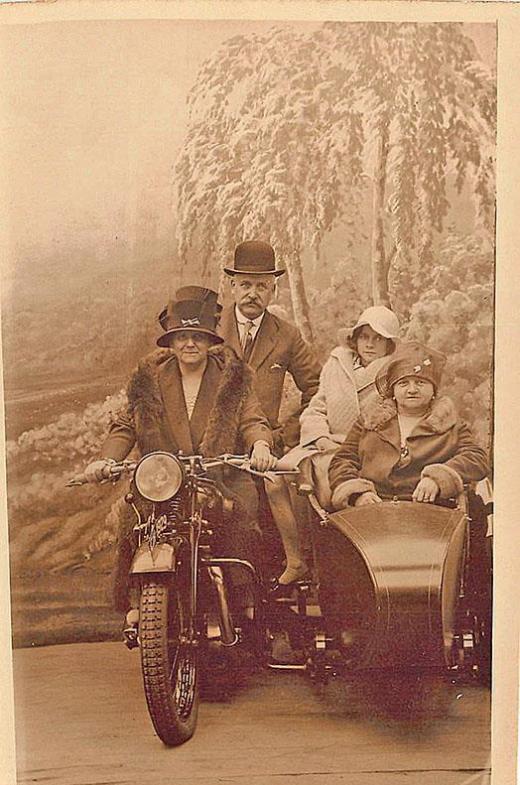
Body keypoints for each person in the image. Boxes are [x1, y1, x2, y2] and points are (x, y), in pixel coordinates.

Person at [85, 285, 277, 629]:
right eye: (181, 336)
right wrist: (107, 460)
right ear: (171, 342)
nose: (190, 344)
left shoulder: (232, 378)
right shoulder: (150, 380)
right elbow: (126, 424)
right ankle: (141, 596)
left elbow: (253, 419)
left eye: (198, 337)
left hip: (219, 476)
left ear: (209, 340)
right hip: (163, 479)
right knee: (134, 516)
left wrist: (260, 446)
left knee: (240, 514)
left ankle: (241, 593)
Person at [269, 305, 401, 592]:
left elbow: (391, 420)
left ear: (389, 343)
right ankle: (296, 557)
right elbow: (316, 406)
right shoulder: (336, 363)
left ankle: (334, 569)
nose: (369, 343)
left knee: (328, 486)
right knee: (274, 478)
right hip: (322, 443)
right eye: (364, 336)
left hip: (362, 450)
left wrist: (341, 446)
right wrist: (319, 436)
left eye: (377, 338)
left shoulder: (395, 373)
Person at [328, 344, 489, 510]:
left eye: (420, 382)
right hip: (373, 507)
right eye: (403, 383)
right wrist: (358, 493)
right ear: (394, 390)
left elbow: (476, 458)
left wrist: (438, 478)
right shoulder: (369, 421)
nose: (412, 390)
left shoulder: (450, 424)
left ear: (433, 389)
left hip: (430, 510)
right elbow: (342, 460)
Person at [218, 239, 321, 455]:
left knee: (279, 490)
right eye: (246, 285)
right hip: (212, 448)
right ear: (232, 287)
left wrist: (285, 435)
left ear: (273, 290)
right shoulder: (211, 329)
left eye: (261, 286)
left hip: (265, 452)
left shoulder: (287, 335)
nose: (253, 294)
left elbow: (318, 389)